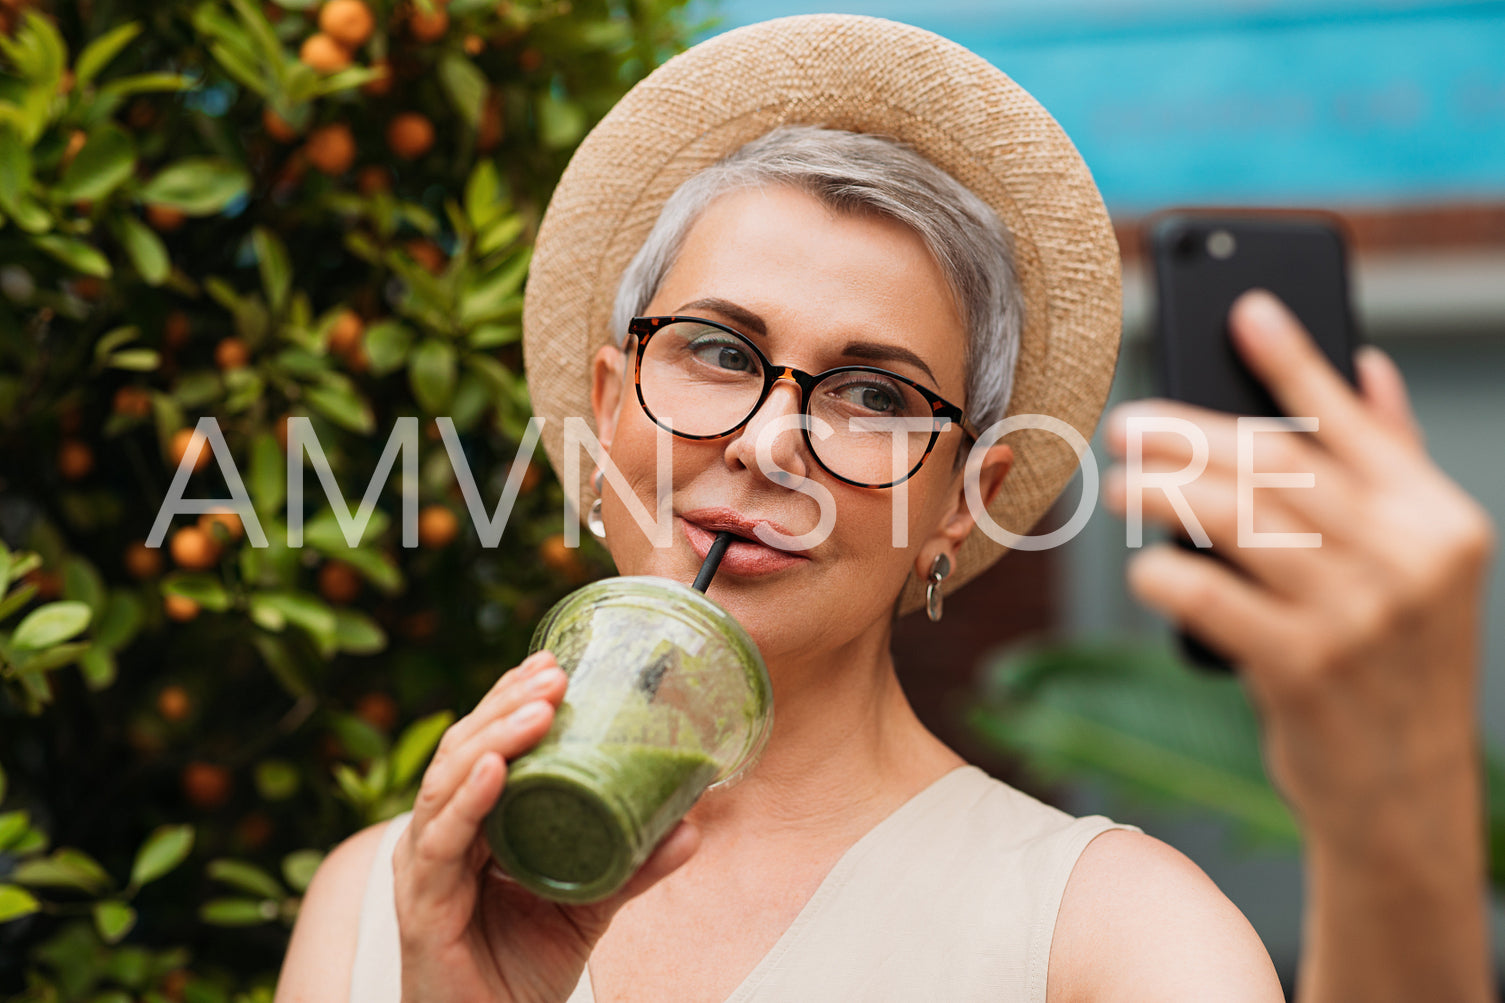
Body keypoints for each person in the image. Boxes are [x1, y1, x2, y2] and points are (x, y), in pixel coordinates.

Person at [275, 14, 1496, 1003]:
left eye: (871, 393)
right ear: (606, 411)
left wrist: (1396, 807)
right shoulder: (375, 899)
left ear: (962, 504)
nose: (763, 444)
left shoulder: (1113, 940)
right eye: (713, 349)